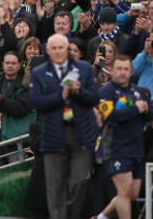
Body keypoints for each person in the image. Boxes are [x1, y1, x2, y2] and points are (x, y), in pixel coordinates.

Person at [29, 34, 100, 219]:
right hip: (53, 132)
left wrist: (78, 92)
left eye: (62, 47)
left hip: (80, 132)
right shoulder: (39, 73)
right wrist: (61, 95)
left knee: (79, 181)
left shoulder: (83, 69)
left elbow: (94, 98)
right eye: (55, 48)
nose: (59, 51)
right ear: (48, 51)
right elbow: (36, 102)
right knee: (55, 186)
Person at [94, 55, 153, 219]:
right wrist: (136, 109)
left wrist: (145, 108)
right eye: (119, 69)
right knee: (124, 191)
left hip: (136, 149)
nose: (122, 72)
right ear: (112, 70)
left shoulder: (137, 91)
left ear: (131, 71)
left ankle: (101, 217)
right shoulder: (105, 92)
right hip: (116, 148)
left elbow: (151, 114)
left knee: (132, 194)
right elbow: (110, 116)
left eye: (126, 69)